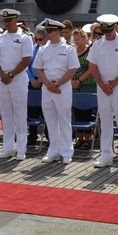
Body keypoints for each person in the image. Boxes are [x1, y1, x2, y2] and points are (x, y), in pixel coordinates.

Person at [88, 14, 118, 171]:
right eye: (104, 30)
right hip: (102, 87)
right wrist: (102, 84)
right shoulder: (97, 45)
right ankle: (106, 155)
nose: (107, 33)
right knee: (105, 121)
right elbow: (92, 66)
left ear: (116, 27)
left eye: (109, 30)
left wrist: (114, 83)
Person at [34, 19, 79, 164]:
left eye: (49, 31)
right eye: (46, 31)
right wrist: (48, 84)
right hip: (47, 88)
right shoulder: (43, 49)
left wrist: (58, 83)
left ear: (57, 32)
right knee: (50, 120)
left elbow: (72, 70)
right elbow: (39, 69)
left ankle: (66, 151)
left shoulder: (68, 48)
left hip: (63, 87)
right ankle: (53, 150)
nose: (47, 33)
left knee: (64, 120)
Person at [0, 8, 33, 161]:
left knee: (20, 115)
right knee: (6, 114)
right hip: (3, 79)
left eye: (9, 20)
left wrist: (11, 74)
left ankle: (21, 149)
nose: (7, 23)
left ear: (16, 20)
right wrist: (2, 74)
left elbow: (26, 59)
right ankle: (8, 147)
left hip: (18, 78)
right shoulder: (0, 38)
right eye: (5, 21)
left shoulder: (25, 37)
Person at [69, 27, 97, 150]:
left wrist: (80, 80)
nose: (76, 42)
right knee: (77, 112)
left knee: (86, 112)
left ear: (84, 39)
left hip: (87, 84)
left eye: (78, 39)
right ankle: (79, 138)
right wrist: (71, 81)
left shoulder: (90, 51)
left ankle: (87, 139)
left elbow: (91, 69)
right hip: (74, 84)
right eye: (74, 40)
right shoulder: (72, 51)